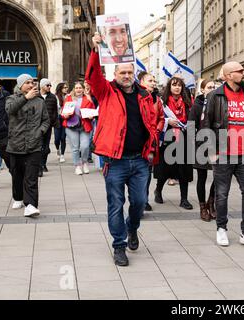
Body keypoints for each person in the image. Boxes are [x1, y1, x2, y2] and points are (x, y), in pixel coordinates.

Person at [87, 32, 157, 267]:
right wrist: (95, 50)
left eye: (129, 72)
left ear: (133, 74)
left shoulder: (145, 96)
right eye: (122, 73)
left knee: (139, 202)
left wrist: (151, 148)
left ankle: (132, 228)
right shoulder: (106, 92)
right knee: (115, 203)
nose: (126, 76)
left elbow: (151, 123)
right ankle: (119, 245)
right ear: (115, 75)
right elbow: (93, 76)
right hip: (115, 161)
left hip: (139, 161)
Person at [203, 61, 244, 250]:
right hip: (223, 154)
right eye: (240, 71)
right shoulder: (216, 95)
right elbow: (207, 123)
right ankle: (221, 228)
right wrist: (211, 150)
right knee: (222, 194)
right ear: (229, 75)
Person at [6, 74, 49, 217]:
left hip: (34, 145)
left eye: (32, 82)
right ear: (20, 86)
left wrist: (40, 131)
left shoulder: (40, 102)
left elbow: (46, 120)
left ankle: (30, 205)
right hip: (15, 145)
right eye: (27, 83)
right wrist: (25, 98)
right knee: (17, 175)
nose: (31, 85)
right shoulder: (11, 99)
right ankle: (18, 197)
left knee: (31, 177)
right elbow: (10, 110)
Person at [154, 76, 194, 210]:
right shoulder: (162, 102)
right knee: (165, 169)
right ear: (169, 87)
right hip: (168, 138)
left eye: (179, 85)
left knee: (184, 170)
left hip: (184, 139)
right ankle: (158, 191)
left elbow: (192, 119)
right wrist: (167, 122)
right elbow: (156, 118)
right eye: (174, 85)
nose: (177, 88)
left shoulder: (188, 103)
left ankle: (184, 199)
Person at [188, 80, 216, 221]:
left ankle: (212, 202)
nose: (212, 89)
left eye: (213, 87)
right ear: (203, 90)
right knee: (202, 177)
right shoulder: (197, 105)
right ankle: (202, 207)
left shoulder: (218, 102)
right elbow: (191, 125)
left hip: (217, 144)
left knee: (218, 175)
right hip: (201, 145)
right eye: (209, 87)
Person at [138, 71, 165, 212]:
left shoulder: (157, 99)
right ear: (141, 82)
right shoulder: (136, 97)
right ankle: (139, 200)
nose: (153, 83)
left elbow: (161, 117)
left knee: (147, 172)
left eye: (154, 81)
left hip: (152, 141)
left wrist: (157, 131)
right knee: (139, 172)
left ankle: (145, 199)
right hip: (138, 140)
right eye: (150, 81)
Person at [61, 82, 96, 175]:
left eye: (80, 88)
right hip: (71, 126)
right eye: (76, 88)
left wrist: (91, 116)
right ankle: (77, 165)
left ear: (83, 89)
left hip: (85, 126)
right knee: (75, 148)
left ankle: (84, 163)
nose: (78, 90)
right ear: (74, 89)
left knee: (84, 146)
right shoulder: (68, 98)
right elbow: (63, 113)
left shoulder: (88, 99)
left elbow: (92, 112)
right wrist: (65, 115)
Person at [39, 78, 59, 176]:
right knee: (39, 146)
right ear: (42, 86)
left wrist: (55, 124)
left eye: (50, 85)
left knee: (46, 147)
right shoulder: (36, 96)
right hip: (37, 126)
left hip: (48, 126)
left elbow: (55, 111)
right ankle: (39, 165)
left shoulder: (52, 97)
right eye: (48, 85)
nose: (50, 87)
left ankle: (43, 164)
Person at [54, 82, 68, 163]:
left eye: (67, 87)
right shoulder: (55, 97)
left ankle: (62, 154)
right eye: (64, 87)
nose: (66, 89)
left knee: (63, 138)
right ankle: (57, 149)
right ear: (60, 88)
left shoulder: (68, 96)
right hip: (58, 119)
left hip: (65, 118)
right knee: (56, 139)